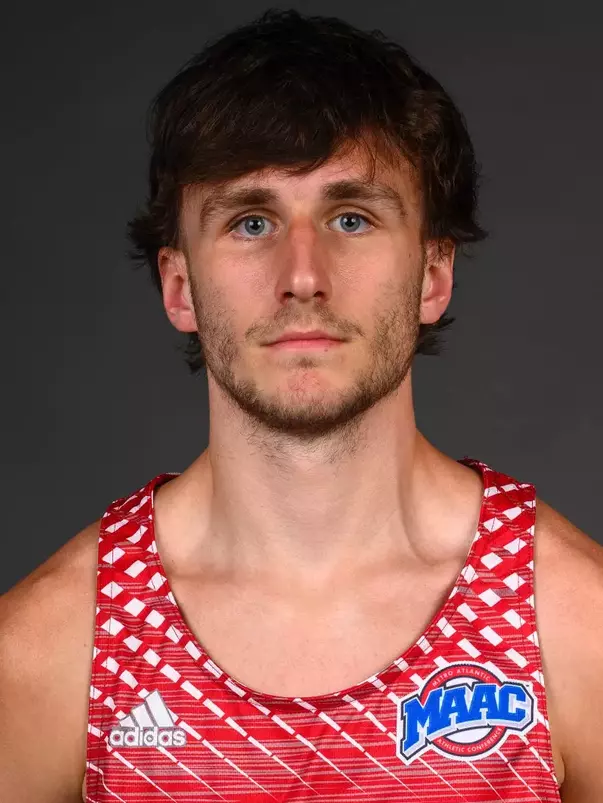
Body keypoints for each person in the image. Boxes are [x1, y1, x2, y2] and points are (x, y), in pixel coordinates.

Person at [1, 7, 601, 802]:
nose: (303, 274)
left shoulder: (573, 625)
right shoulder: (49, 651)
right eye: (251, 221)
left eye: (351, 217)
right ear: (178, 284)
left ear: (432, 274)